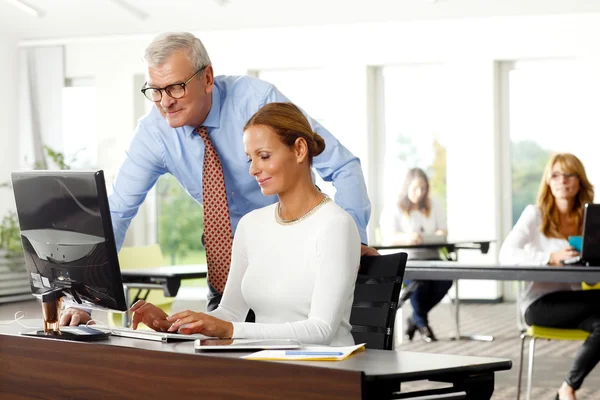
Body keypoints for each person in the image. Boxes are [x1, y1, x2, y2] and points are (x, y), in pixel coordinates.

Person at [60, 32, 376, 326]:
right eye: (154, 91)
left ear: (207, 78)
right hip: (230, 257)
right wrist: (83, 298)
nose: (165, 102)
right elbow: (115, 213)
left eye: (175, 87)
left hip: (296, 245)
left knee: (291, 350)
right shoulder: (153, 134)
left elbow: (343, 166)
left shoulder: (256, 100)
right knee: (218, 366)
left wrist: (353, 240)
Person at [128, 102, 361, 345]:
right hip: (266, 364)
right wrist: (174, 325)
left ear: (300, 149)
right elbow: (228, 314)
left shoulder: (335, 225)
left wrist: (229, 330)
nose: (253, 169)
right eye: (250, 158)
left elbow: (322, 330)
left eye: (264, 156)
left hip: (324, 369)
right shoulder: (251, 225)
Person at [499, 153, 598, 400]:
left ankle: (567, 389)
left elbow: (593, 280)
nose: (562, 180)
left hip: (575, 303)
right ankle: (567, 390)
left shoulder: (589, 220)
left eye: (569, 175)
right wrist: (549, 257)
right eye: (556, 175)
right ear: (548, 181)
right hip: (539, 304)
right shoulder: (535, 215)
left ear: (580, 181)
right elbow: (506, 254)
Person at [379, 168, 452, 342]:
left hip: (431, 256)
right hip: (406, 259)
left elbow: (443, 229)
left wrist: (438, 233)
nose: (419, 193)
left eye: (423, 188)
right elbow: (387, 236)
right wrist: (408, 238)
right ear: (406, 187)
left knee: (447, 278)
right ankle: (421, 322)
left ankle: (415, 318)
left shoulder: (432, 204)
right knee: (420, 283)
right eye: (415, 188)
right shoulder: (394, 206)